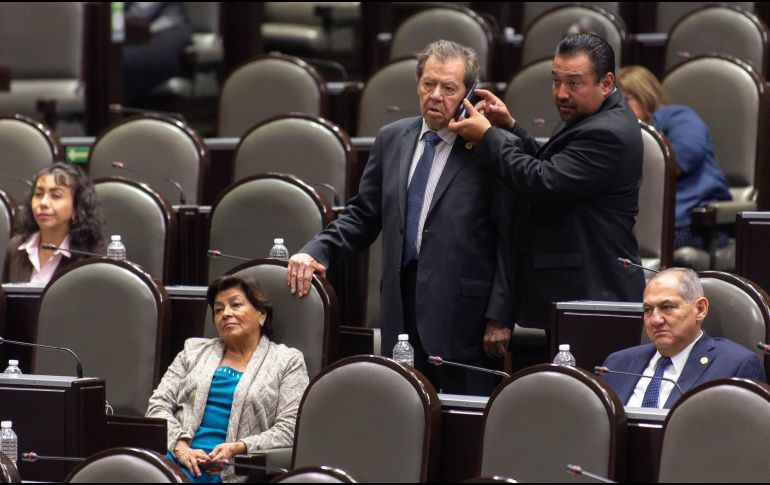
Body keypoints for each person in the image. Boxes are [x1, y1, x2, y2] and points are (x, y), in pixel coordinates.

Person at [286, 40, 514, 395]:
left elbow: (509, 233)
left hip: (465, 319)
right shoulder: (393, 138)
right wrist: (319, 249)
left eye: (449, 88)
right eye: (428, 84)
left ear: (470, 92)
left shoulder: (490, 145)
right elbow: (364, 213)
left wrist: (501, 314)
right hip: (401, 305)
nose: (436, 95)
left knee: (464, 430)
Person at [449, 34, 645, 330]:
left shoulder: (609, 133)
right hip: (577, 292)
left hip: (595, 293)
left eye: (573, 83)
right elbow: (550, 166)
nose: (561, 93)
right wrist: (510, 127)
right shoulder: (590, 116)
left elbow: (541, 182)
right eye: (556, 81)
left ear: (606, 83)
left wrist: (488, 137)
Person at [147, 275, 309, 482]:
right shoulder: (193, 351)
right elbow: (157, 406)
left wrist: (238, 448)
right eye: (218, 309)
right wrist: (180, 446)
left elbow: (290, 429)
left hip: (233, 470)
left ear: (262, 314)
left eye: (236, 305)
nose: (226, 314)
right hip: (176, 459)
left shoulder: (287, 361)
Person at [600, 268, 766, 408]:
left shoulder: (735, 367)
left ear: (700, 309)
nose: (655, 320)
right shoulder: (616, 364)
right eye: (648, 310)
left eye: (667, 307)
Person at [617, 65, 732, 250]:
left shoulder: (680, 116)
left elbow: (685, 154)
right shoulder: (621, 133)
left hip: (693, 223)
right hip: (644, 220)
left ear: (644, 94)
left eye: (625, 100)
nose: (618, 108)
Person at [3, 163, 106, 284]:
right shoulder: (16, 247)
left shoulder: (91, 255)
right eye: (38, 194)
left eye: (56, 196)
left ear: (76, 207)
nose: (43, 203)